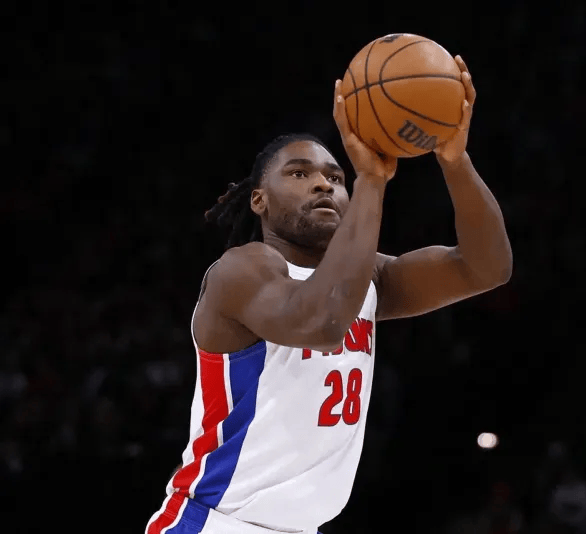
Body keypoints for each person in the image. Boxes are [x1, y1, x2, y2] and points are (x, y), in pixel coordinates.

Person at [145, 56, 513, 534]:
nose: (323, 183)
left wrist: (454, 159)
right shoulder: (243, 269)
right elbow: (322, 324)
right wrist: (371, 182)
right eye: (299, 174)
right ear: (259, 199)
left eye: (337, 178)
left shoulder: (368, 278)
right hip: (216, 522)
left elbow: (486, 267)